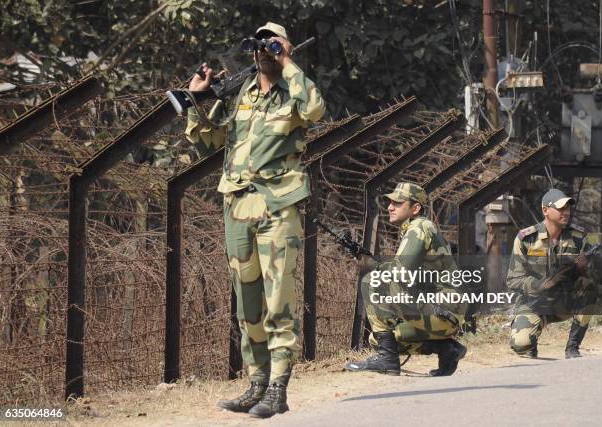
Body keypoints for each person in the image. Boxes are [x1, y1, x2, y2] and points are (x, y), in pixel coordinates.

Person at [185, 22, 325, 418]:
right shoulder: (241, 92)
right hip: (238, 206)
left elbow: (314, 109)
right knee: (248, 303)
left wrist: (288, 61)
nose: (264, 50)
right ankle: (257, 383)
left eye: (273, 44)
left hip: (278, 206)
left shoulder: (294, 91)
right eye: (260, 45)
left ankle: (278, 388)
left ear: (285, 49)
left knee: (278, 299)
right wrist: (197, 99)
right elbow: (207, 142)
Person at [345, 182, 467, 376]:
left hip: (443, 310)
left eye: (398, 203)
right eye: (390, 202)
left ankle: (387, 361)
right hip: (444, 312)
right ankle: (447, 349)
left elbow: (400, 273)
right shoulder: (417, 227)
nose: (390, 207)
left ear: (415, 208)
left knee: (372, 282)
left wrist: (373, 266)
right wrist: (370, 261)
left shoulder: (419, 228)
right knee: (383, 340)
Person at [506, 188, 596, 359]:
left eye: (568, 208)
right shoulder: (526, 238)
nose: (566, 212)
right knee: (520, 344)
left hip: (565, 301)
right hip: (535, 302)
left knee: (589, 287)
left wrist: (584, 270)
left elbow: (591, 278)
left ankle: (572, 347)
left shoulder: (578, 238)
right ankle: (531, 341)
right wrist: (542, 284)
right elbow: (513, 280)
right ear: (545, 210)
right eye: (561, 208)